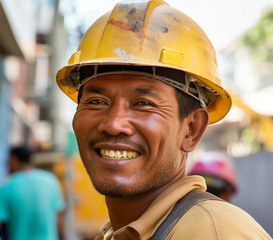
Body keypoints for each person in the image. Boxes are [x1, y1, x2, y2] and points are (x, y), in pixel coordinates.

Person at [56, 0, 272, 239]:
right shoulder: (120, 232)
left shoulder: (213, 232)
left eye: (144, 104)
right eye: (97, 101)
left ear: (191, 129)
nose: (114, 124)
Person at [0, 146, 65, 240]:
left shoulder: (8, 186)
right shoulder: (50, 180)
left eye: (8, 161)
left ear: (14, 160)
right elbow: (59, 220)